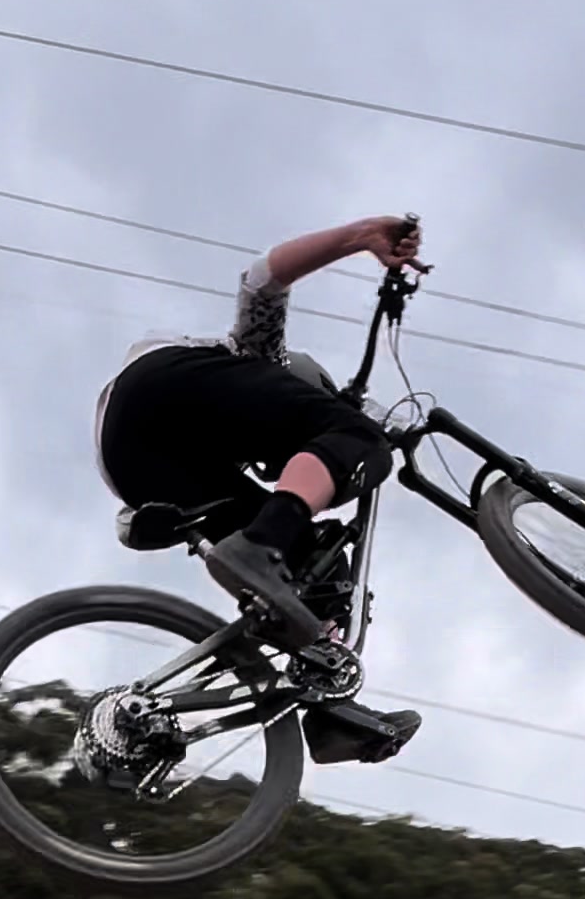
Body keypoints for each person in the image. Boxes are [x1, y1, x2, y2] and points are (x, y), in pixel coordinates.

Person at [93, 213, 424, 763]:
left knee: (307, 575)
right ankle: (263, 549)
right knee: (360, 440)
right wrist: (361, 235)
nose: (278, 463)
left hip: (137, 469)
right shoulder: (257, 357)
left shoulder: (227, 440)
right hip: (157, 389)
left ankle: (328, 711)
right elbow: (263, 278)